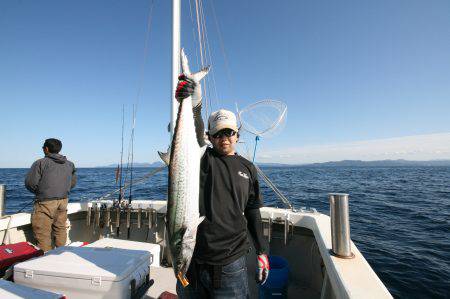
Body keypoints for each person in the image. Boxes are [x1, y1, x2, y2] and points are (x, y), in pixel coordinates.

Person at [174, 56, 269, 298]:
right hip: (193, 262)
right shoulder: (201, 159)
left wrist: (262, 251)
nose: (224, 137)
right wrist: (192, 99)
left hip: (231, 265)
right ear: (210, 136)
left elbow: (253, 211)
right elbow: (194, 130)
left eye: (229, 132)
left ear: (238, 134)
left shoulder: (248, 168)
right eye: (217, 134)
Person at [25, 138, 77, 252]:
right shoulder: (70, 164)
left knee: (42, 232)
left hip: (45, 203)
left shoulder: (40, 163)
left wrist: (43, 191)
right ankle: (61, 254)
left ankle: (46, 259)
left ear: (46, 149)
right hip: (63, 201)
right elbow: (72, 183)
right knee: (60, 229)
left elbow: (30, 184)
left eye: (43, 147)